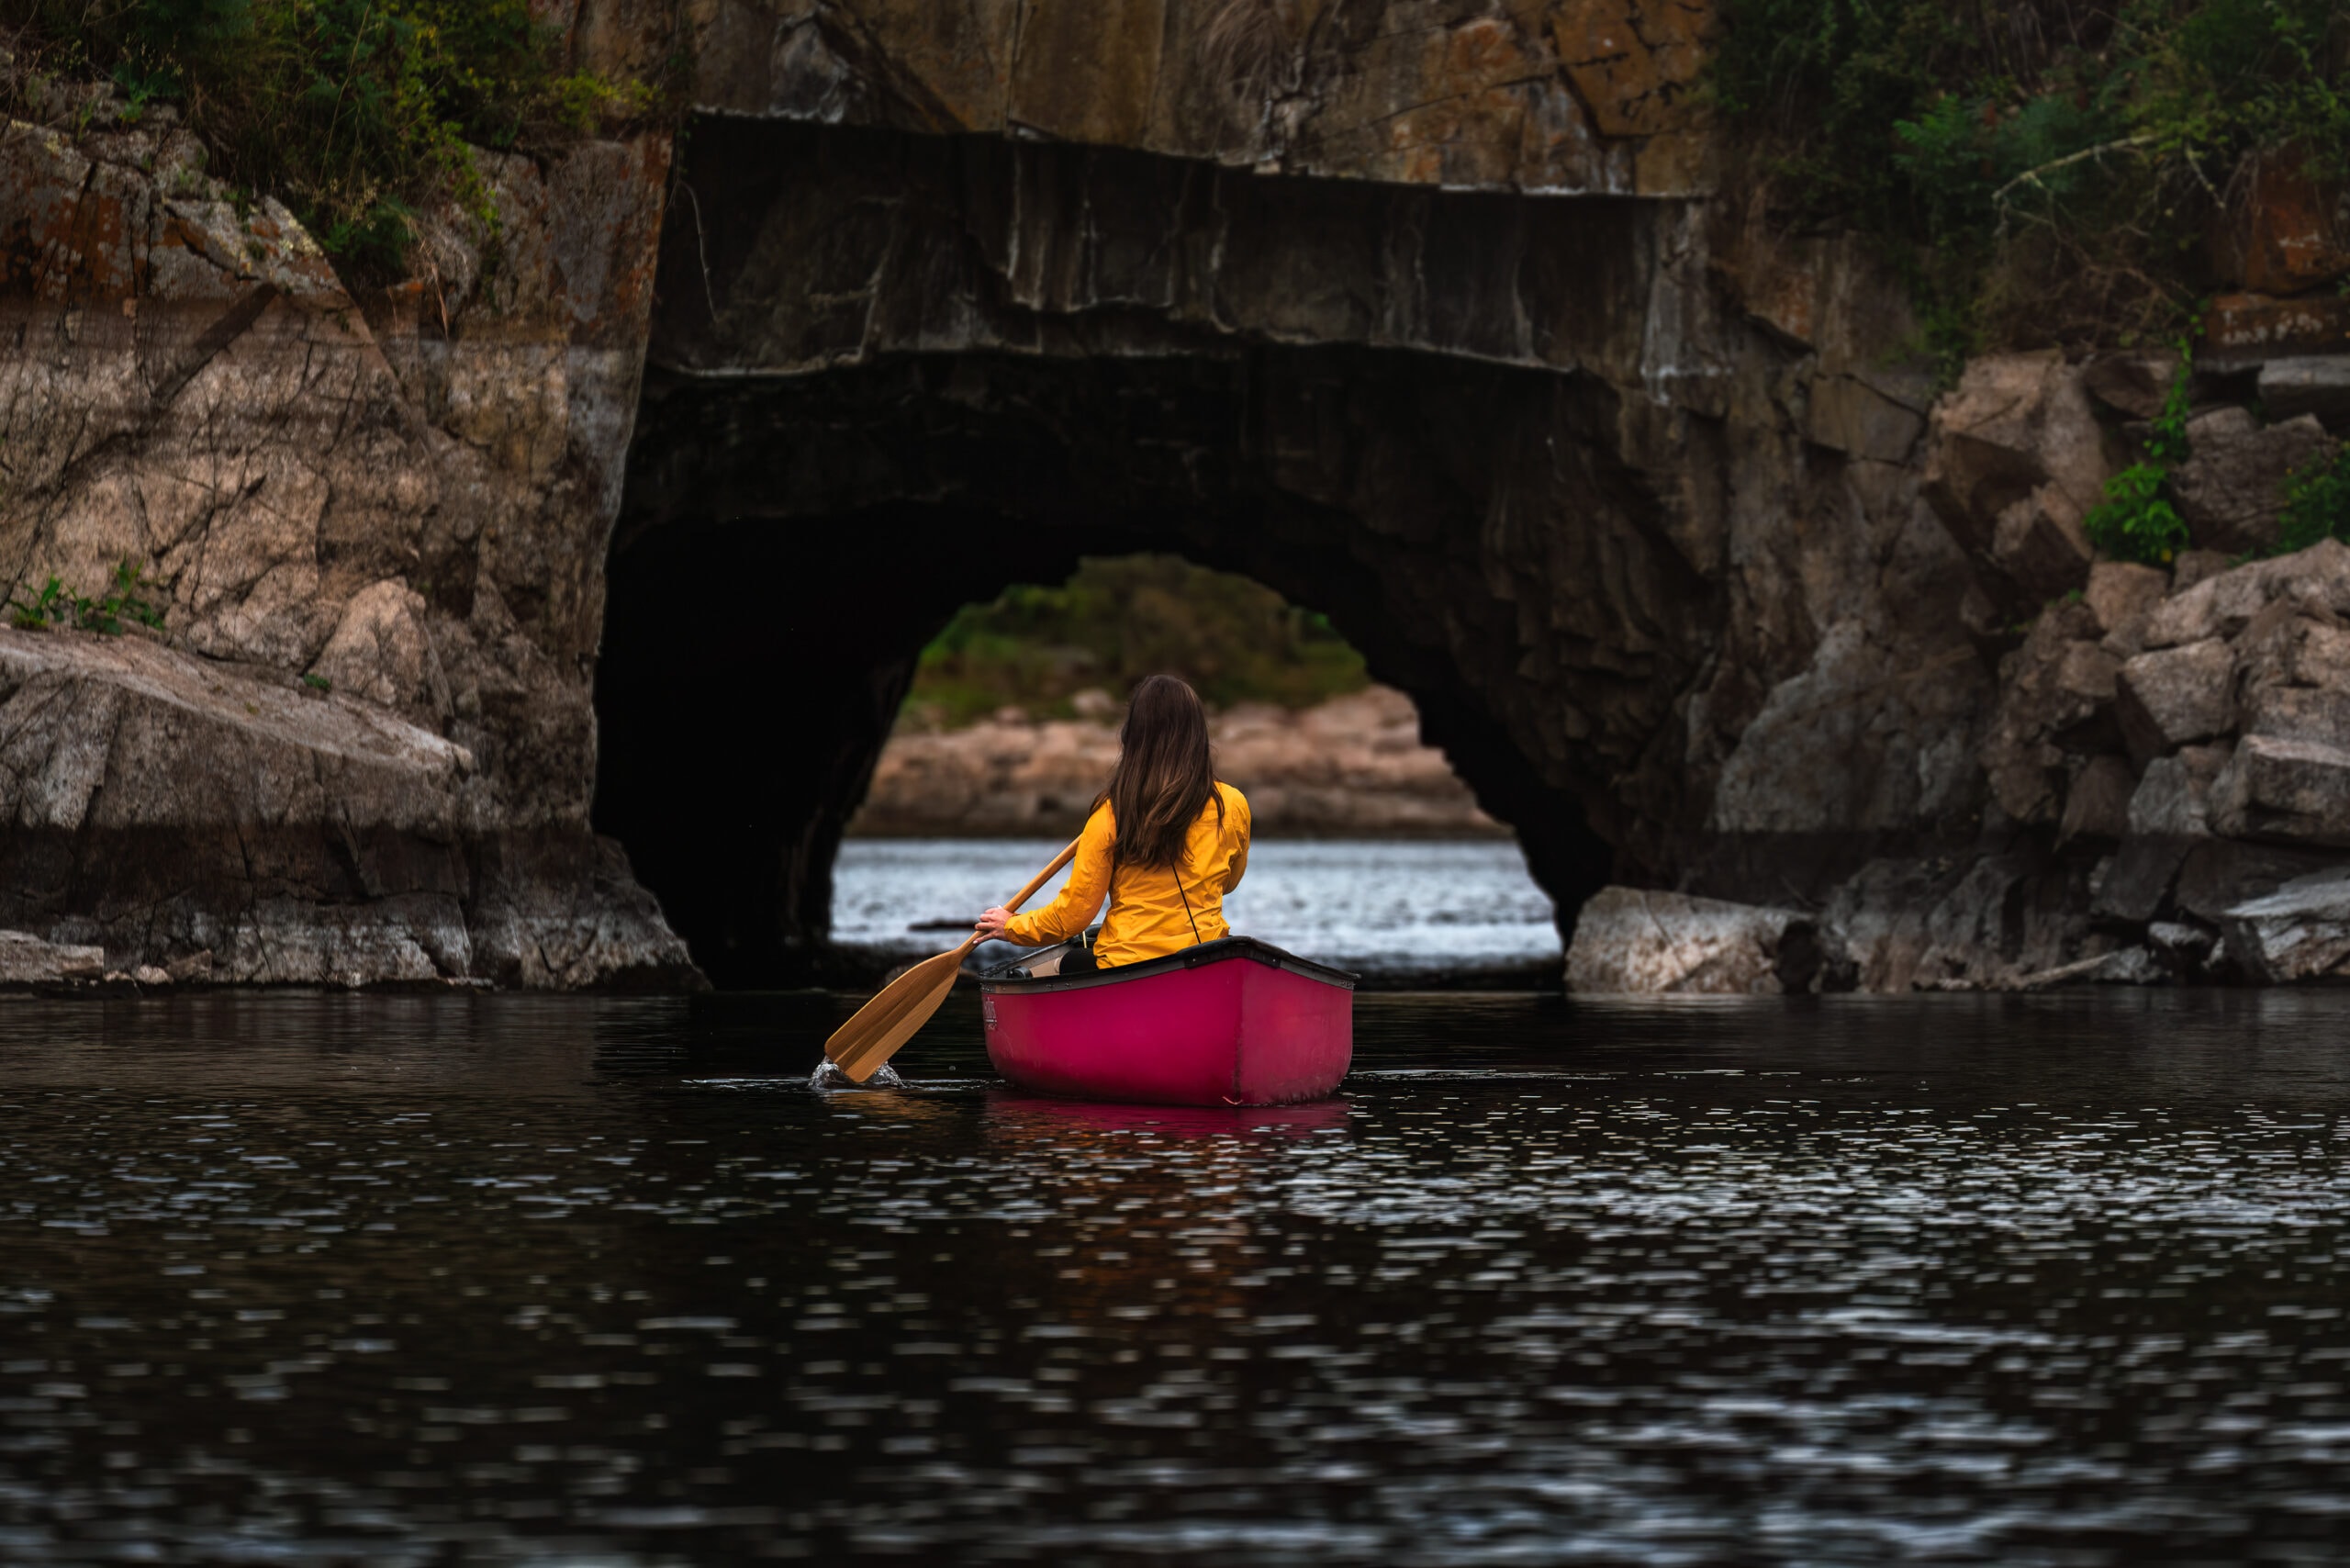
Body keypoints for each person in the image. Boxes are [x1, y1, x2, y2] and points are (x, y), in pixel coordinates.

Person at [975, 674, 1249, 967]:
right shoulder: (1232, 804)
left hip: (1127, 964)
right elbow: (1229, 883)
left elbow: (1073, 916)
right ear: (1198, 735)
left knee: (1058, 966)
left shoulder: (1111, 813)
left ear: (1132, 737)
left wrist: (1012, 926)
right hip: (1206, 959)